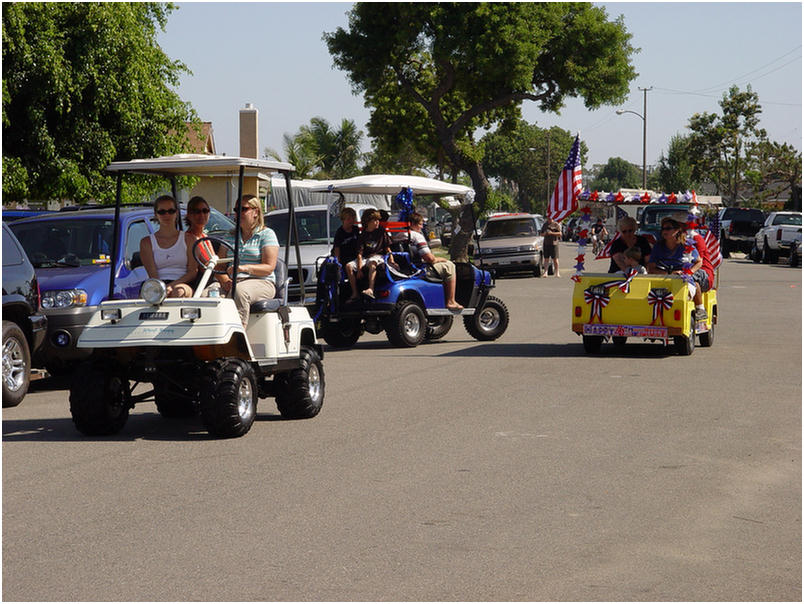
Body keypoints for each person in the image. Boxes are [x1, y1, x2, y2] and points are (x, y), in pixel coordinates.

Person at [217, 194, 279, 327]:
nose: (238, 213)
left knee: (239, 292)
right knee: (208, 294)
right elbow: (219, 266)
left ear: (256, 212)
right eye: (236, 210)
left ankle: (236, 337)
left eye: (243, 209)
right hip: (233, 281)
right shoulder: (230, 235)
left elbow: (269, 267)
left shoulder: (267, 234)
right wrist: (225, 281)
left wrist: (244, 268)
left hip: (262, 282)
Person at [139, 195, 197, 298]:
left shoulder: (189, 239)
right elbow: (153, 274)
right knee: (149, 295)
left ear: (177, 213)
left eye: (171, 211)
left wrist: (171, 286)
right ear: (156, 214)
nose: (167, 215)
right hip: (156, 285)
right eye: (162, 212)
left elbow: (192, 272)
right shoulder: (146, 242)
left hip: (183, 283)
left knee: (178, 292)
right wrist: (162, 288)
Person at [408, 212, 463, 310]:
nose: (421, 227)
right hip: (420, 268)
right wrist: (441, 259)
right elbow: (430, 259)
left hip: (407, 267)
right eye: (420, 224)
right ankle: (450, 301)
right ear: (412, 223)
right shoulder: (416, 236)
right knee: (450, 266)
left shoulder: (399, 234)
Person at [647, 216, 701, 302]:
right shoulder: (658, 246)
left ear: (677, 230)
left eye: (668, 228)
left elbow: (699, 262)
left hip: (684, 276)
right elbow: (651, 268)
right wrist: (669, 273)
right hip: (664, 276)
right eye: (663, 229)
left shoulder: (686, 245)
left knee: (695, 284)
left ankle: (700, 309)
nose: (664, 231)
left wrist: (689, 273)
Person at [345, 208, 392, 301]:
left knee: (372, 262)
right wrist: (359, 270)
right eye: (375, 220)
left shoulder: (381, 232)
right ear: (368, 222)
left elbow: (387, 248)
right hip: (365, 258)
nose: (377, 222)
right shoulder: (362, 235)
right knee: (348, 266)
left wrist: (392, 261)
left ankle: (371, 289)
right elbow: (359, 254)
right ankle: (355, 293)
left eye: (378, 220)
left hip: (378, 257)